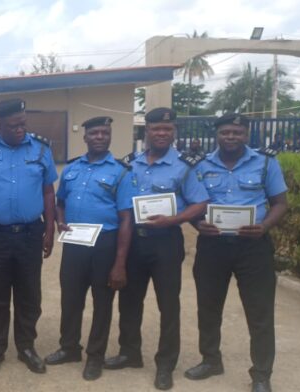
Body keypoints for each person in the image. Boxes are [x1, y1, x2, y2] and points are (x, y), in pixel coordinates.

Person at [103, 107, 208, 390]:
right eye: (156, 129)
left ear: (174, 132)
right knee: (129, 300)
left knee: (168, 305)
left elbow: (200, 203)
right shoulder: (130, 164)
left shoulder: (184, 166)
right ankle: (129, 352)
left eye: (167, 129)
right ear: (146, 131)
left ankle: (165, 364)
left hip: (166, 243)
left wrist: (174, 219)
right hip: (133, 241)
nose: (162, 133)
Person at [186, 114, 287, 392]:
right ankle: (210, 360)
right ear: (217, 135)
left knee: (259, 312)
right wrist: (197, 223)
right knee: (208, 308)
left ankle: (262, 374)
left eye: (237, 132)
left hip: (253, 248)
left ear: (247, 134)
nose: (231, 137)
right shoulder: (200, 165)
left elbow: (279, 203)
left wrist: (264, 226)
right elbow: (192, 204)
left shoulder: (266, 162)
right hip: (212, 247)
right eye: (226, 132)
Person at [0, 98, 57, 375]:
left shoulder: (41, 149)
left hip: (30, 234)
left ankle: (27, 347)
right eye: (13, 125)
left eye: (23, 124)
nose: (20, 130)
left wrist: (49, 230)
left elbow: (48, 191)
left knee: (29, 294)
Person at [44, 116, 136, 381]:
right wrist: (60, 221)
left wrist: (119, 262)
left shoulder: (121, 172)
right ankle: (69, 348)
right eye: (94, 133)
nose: (99, 137)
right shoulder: (71, 169)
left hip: (105, 244)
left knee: (102, 301)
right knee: (70, 299)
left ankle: (95, 356)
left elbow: (126, 218)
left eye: (104, 133)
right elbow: (59, 202)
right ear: (85, 137)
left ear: (109, 136)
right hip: (74, 243)